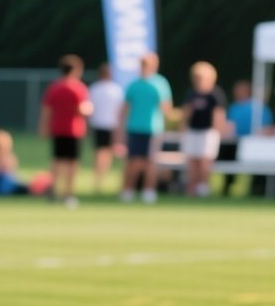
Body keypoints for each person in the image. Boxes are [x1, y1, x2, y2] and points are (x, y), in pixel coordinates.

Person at [117, 53, 171, 204]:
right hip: (135, 127)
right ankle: (128, 190)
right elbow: (125, 109)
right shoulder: (134, 84)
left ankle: (149, 191)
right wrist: (120, 131)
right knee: (133, 161)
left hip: (153, 129)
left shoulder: (160, 83)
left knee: (151, 161)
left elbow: (166, 107)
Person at [38, 54, 91, 207]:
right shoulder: (78, 88)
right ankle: (69, 193)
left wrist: (43, 126)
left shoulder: (54, 87)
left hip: (57, 129)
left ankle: (53, 189)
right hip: (74, 130)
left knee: (57, 161)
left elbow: (46, 110)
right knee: (72, 163)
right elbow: (82, 109)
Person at [179, 62, 227, 198]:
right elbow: (186, 112)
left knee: (204, 161)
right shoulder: (191, 94)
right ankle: (191, 188)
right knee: (192, 161)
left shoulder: (215, 95)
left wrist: (219, 131)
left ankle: (203, 187)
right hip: (192, 131)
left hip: (208, 132)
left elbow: (218, 115)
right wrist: (183, 126)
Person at [86, 63, 124, 195]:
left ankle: (98, 178)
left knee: (99, 153)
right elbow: (120, 111)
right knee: (106, 153)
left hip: (98, 124)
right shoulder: (116, 90)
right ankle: (100, 177)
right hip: (110, 125)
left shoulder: (94, 88)